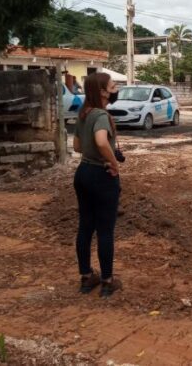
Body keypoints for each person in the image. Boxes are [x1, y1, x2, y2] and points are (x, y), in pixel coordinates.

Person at [73, 72, 122, 297]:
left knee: (85, 226)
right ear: (103, 92)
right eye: (112, 86)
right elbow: (101, 141)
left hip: (83, 173)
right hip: (101, 175)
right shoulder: (101, 115)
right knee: (105, 230)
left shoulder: (84, 113)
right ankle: (107, 281)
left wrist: (93, 152)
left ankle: (86, 277)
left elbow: (77, 146)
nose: (116, 89)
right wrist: (113, 163)